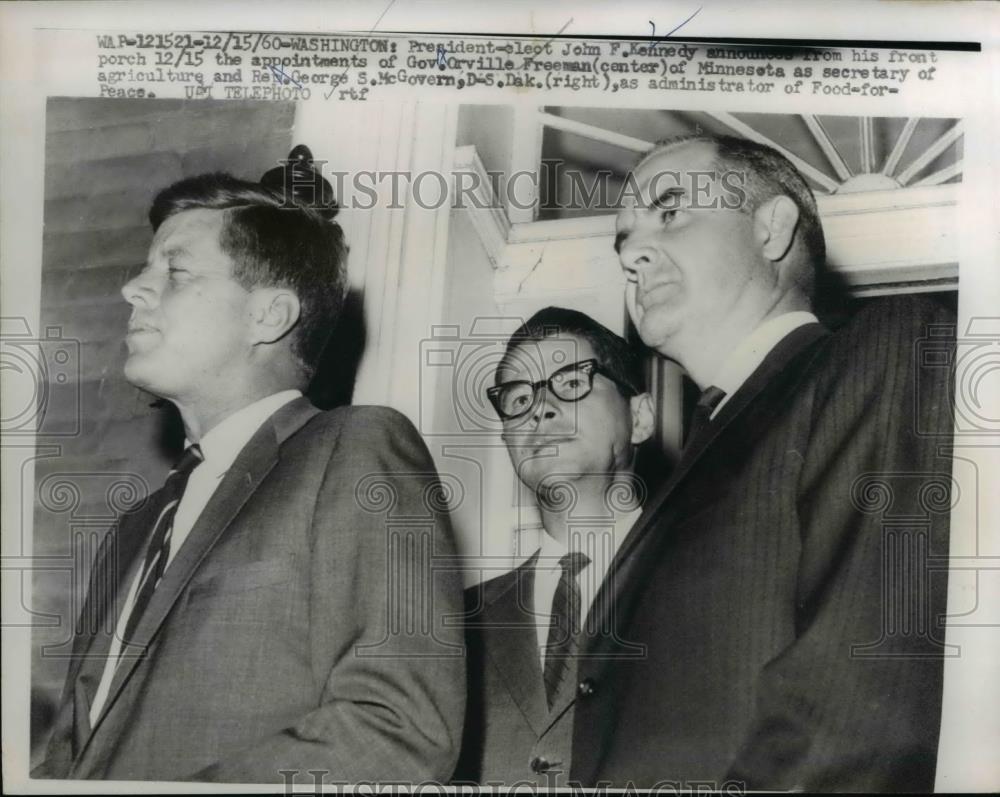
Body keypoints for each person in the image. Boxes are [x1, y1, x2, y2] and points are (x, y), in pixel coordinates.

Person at [37, 150, 465, 783]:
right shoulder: (138, 524)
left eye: (176, 271)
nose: (133, 288)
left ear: (269, 314)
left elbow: (398, 729)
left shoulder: (355, 448)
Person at [565, 133, 956, 791]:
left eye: (669, 211)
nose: (631, 253)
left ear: (772, 229)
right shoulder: (693, 458)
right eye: (624, 239)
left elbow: (854, 713)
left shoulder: (883, 354)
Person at [455, 306, 655, 786]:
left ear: (640, 417)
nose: (539, 408)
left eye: (570, 382)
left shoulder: (711, 581)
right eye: (518, 397)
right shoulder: (461, 620)